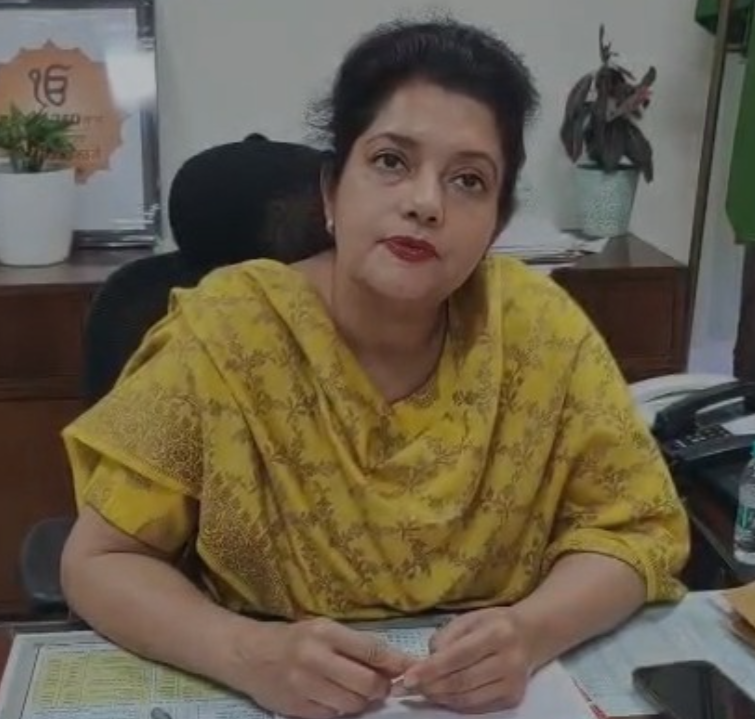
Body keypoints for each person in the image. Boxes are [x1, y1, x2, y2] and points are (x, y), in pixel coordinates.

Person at [60, 15, 690, 719]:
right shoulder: (227, 336)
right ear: (332, 192)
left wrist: (532, 631)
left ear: (496, 223)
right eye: (391, 161)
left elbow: (636, 529)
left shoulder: (537, 332)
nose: (425, 203)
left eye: (468, 180)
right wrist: (246, 653)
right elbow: (99, 562)